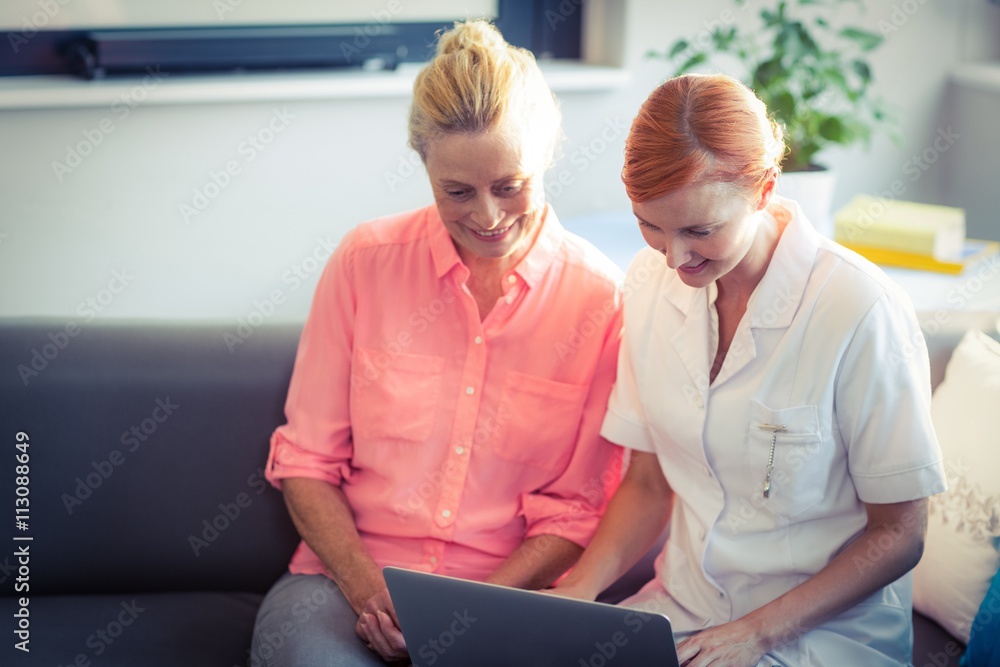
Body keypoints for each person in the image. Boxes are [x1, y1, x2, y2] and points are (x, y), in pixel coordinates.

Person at [249, 20, 624, 667]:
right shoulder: (365, 261)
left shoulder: (601, 299)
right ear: (424, 164)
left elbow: (578, 510)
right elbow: (307, 462)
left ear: (549, 154)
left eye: (511, 185)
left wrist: (467, 617)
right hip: (347, 584)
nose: (487, 216)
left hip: (514, 593)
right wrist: (370, 591)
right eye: (457, 191)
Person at [551, 73, 948, 666]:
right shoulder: (647, 279)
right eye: (651, 225)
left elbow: (899, 535)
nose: (674, 257)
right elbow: (647, 482)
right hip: (682, 611)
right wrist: (578, 594)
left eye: (699, 230)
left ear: (763, 189)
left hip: (821, 634)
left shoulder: (858, 308)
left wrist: (758, 633)